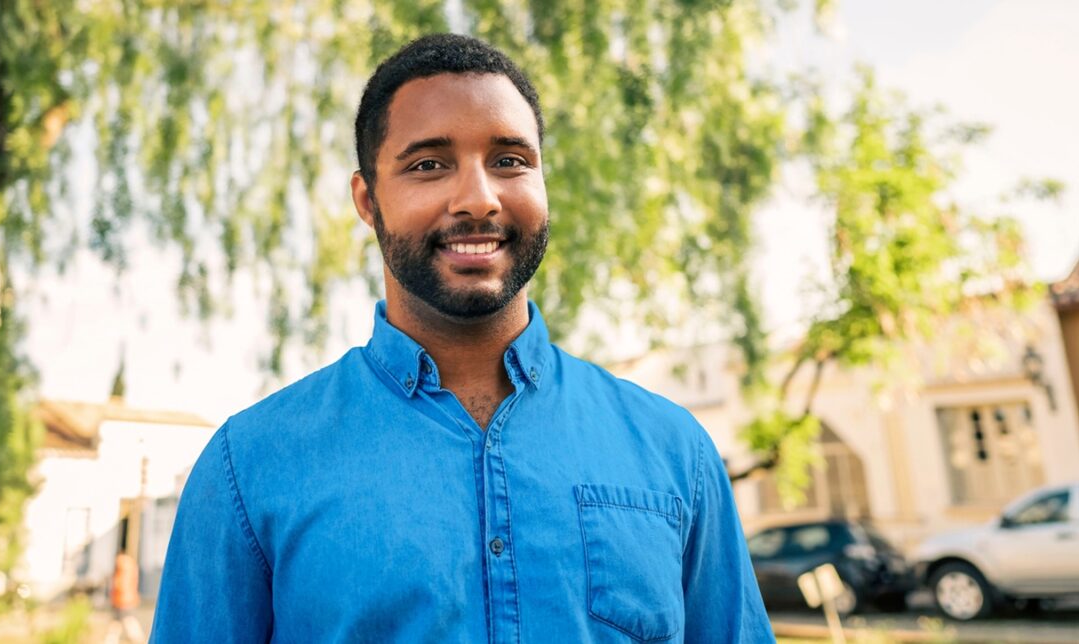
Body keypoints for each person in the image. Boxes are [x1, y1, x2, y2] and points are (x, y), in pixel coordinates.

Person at [149, 33, 772, 642]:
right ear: (368, 201)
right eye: (428, 165)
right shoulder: (250, 466)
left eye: (510, 161)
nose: (479, 198)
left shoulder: (675, 453)